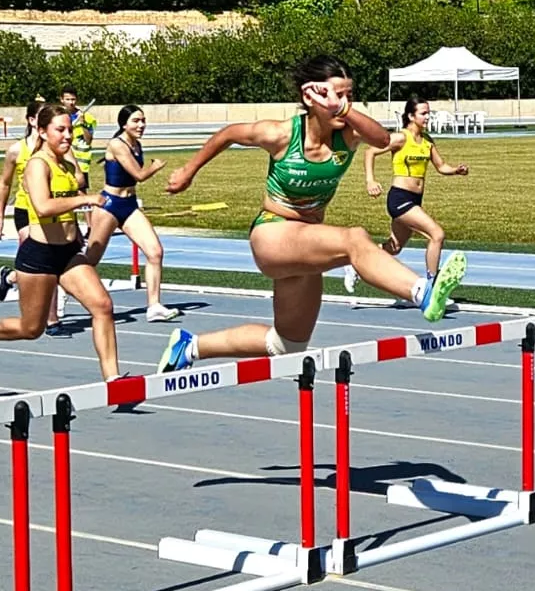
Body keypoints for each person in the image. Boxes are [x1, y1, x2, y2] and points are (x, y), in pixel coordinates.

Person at [156, 55, 466, 374]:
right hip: (273, 234)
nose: (342, 103)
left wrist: (342, 109)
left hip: (305, 243)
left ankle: (188, 347)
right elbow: (230, 134)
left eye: (348, 96)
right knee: (354, 239)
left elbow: (384, 140)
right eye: (335, 95)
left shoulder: (348, 134)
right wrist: (188, 171)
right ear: (311, 97)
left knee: (287, 345)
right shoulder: (280, 135)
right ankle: (421, 292)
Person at [0, 104, 121, 379]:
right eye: (60, 130)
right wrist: (86, 199)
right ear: (42, 131)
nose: (67, 135)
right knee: (32, 328)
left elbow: (79, 181)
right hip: (41, 254)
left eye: (69, 130)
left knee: (103, 306)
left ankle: (113, 380)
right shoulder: (37, 164)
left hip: (70, 253)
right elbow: (43, 206)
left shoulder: (65, 161)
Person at [80, 105, 177, 322]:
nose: (141, 125)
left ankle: (154, 306)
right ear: (124, 124)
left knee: (155, 252)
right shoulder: (117, 144)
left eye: (143, 120)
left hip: (129, 205)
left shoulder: (137, 145)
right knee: (91, 260)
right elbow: (139, 175)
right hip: (109, 205)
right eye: (136, 121)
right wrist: (156, 167)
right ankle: (60, 290)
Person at [362, 98, 468, 293]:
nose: (428, 117)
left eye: (429, 113)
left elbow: (441, 166)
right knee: (437, 234)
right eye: (423, 113)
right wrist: (370, 180)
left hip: (415, 199)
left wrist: (456, 170)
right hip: (400, 198)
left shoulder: (428, 141)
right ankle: (431, 287)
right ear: (411, 116)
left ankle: (357, 260)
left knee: (394, 248)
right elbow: (370, 152)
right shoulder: (401, 138)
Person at [0, 101, 66, 332]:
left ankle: (11, 277)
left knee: (47, 266)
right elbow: (5, 183)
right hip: (25, 211)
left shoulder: (57, 150)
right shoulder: (16, 150)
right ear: (33, 121)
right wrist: (0, 215)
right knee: (44, 264)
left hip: (51, 212)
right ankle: (51, 319)